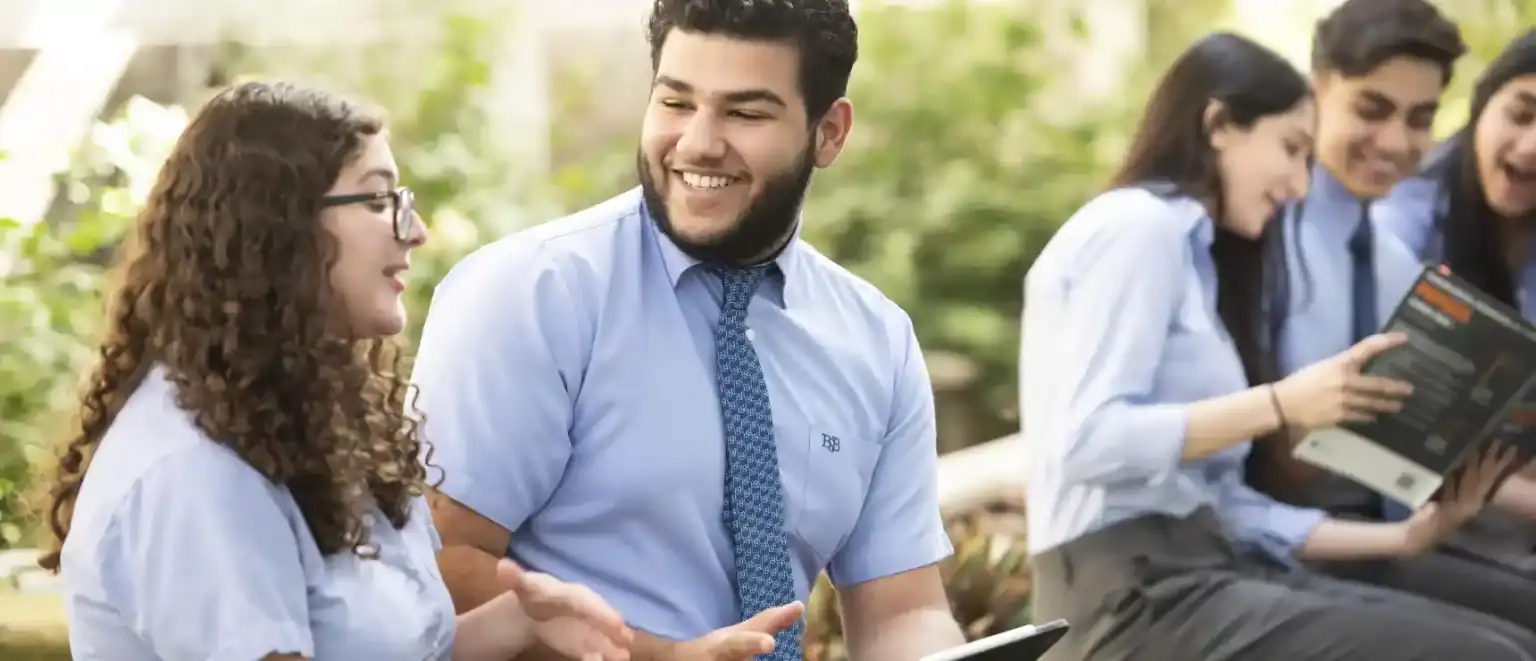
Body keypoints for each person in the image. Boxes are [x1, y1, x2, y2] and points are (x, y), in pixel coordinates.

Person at [412, 1, 966, 660]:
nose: (699, 142)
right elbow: (437, 572)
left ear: (830, 133)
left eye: (745, 113)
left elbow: (902, 608)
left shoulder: (876, 339)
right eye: (676, 103)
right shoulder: (528, 296)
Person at [34, 81, 632, 661]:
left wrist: (517, 623)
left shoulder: (295, 427)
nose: (415, 232)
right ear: (275, 229)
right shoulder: (193, 474)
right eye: (377, 201)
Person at [1021, 31, 1532, 661]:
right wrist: (1282, 404)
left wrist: (1408, 537)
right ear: (1219, 126)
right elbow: (1083, 444)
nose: (1297, 185)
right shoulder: (1138, 227)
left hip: (1205, 564)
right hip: (1125, 593)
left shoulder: (1200, 265)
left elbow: (1228, 508)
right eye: (1291, 150)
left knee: (1503, 644)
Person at [1248, 0, 1536, 624]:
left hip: (1387, 531)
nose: (1396, 143)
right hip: (1277, 545)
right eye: (1372, 110)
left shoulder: (1394, 263)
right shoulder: (1265, 230)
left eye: (1419, 119)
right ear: (1316, 91)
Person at [1375, 29, 1536, 574]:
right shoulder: (1402, 222)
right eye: (1521, 113)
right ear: (1481, 104)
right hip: (1405, 515)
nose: (1532, 146)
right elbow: (1395, 431)